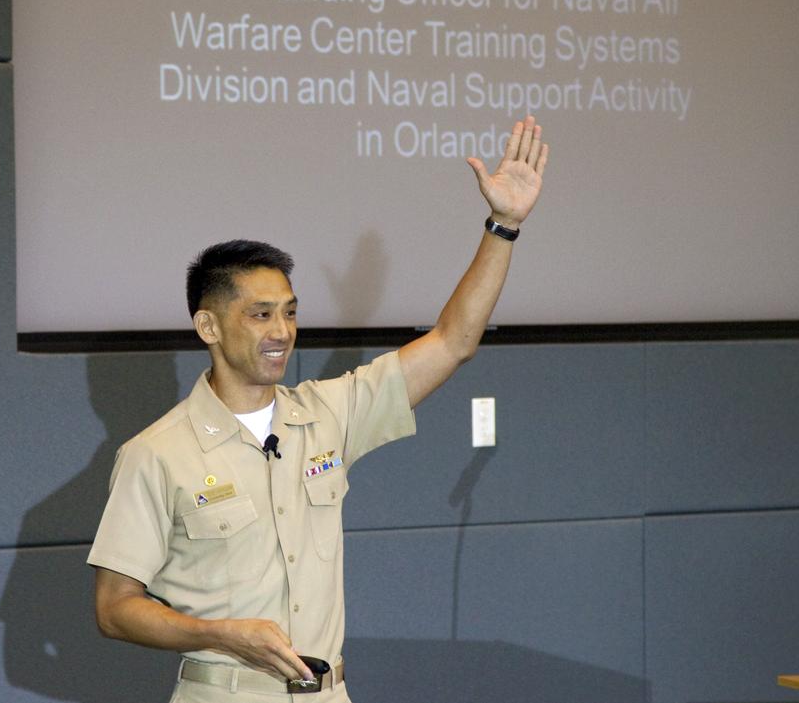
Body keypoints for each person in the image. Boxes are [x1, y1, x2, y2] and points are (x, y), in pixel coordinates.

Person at [88, 115, 550, 701]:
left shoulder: (327, 414)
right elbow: (114, 608)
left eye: (290, 311)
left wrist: (503, 226)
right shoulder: (155, 454)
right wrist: (223, 635)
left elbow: (453, 342)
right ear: (208, 325)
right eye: (259, 314)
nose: (281, 330)